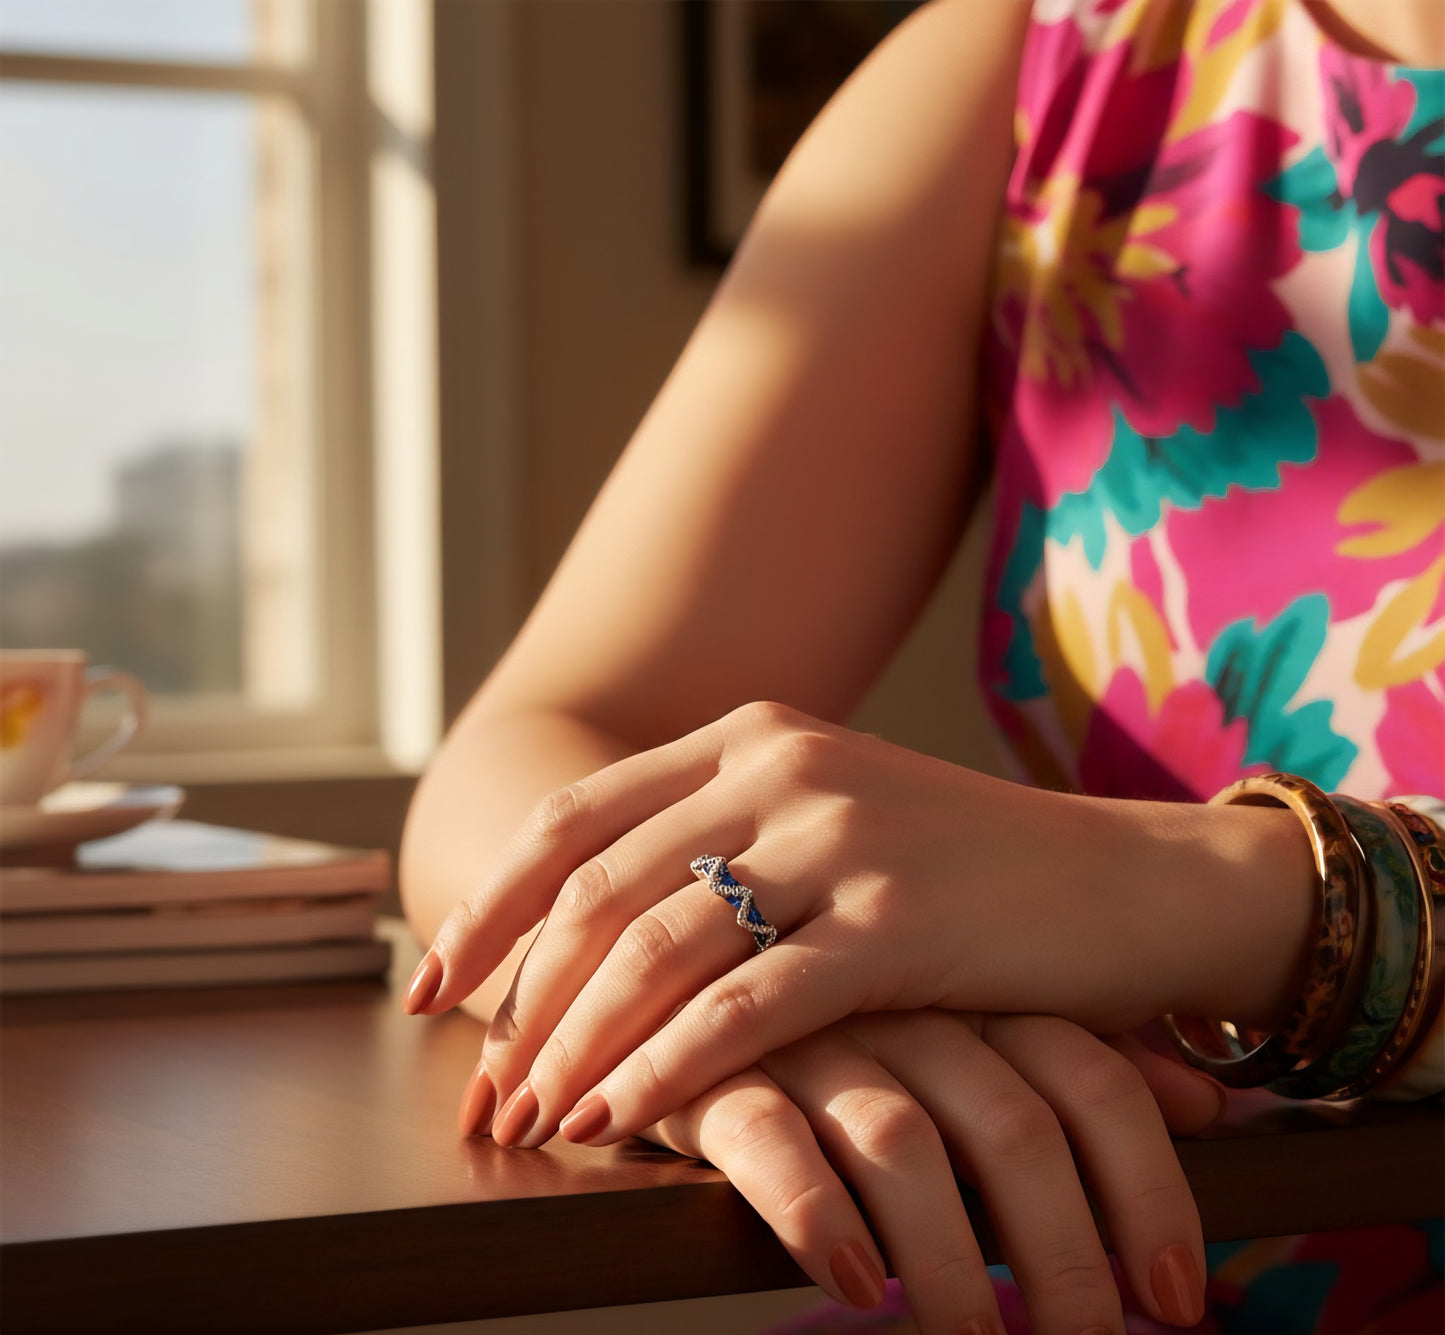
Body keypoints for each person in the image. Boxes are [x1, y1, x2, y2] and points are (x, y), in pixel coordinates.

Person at [400, 0, 1445, 1330]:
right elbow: (539, 747)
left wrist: (1207, 900)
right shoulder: (1042, 59)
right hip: (1111, 1273)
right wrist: (755, 985)